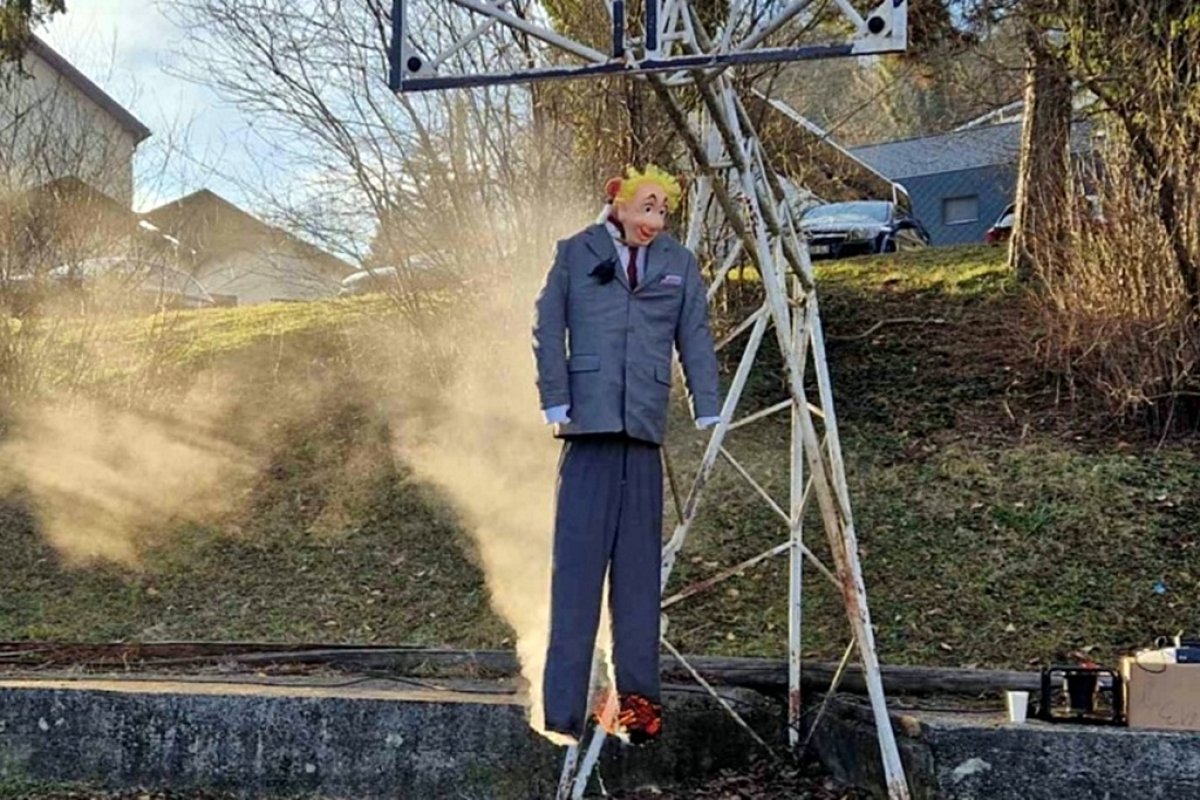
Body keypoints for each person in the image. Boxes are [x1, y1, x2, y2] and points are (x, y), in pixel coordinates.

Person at [532, 164, 721, 745]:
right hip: (586, 428)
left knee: (639, 582)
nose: (655, 220)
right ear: (618, 202)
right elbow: (546, 323)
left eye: (664, 211)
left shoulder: (679, 265)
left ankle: (637, 710)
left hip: (643, 428)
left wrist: (705, 402)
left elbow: (695, 333)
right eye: (647, 207)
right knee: (576, 576)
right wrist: (555, 398)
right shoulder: (575, 252)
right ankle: (562, 710)